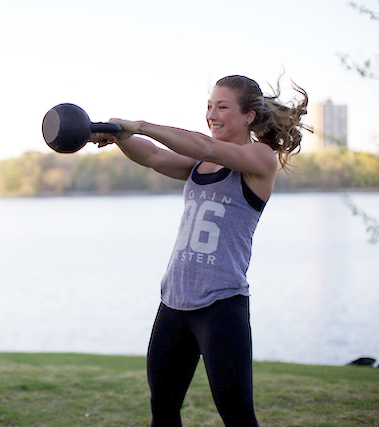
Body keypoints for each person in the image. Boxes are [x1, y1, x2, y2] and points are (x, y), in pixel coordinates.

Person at [91, 75, 309, 427]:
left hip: (220, 305)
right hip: (174, 300)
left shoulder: (259, 158)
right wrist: (118, 135)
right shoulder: (197, 163)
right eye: (209, 106)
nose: (212, 114)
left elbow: (206, 147)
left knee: (237, 416)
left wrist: (141, 125)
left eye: (222, 107)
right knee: (163, 409)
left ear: (248, 117)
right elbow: (152, 157)